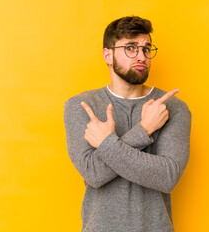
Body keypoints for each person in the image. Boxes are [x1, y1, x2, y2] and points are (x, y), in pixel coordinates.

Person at [63, 16, 192, 232]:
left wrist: (106, 144)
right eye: (130, 48)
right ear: (108, 54)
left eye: (146, 49)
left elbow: (167, 176)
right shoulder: (82, 106)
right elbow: (95, 174)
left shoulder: (171, 108)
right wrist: (144, 130)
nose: (141, 56)